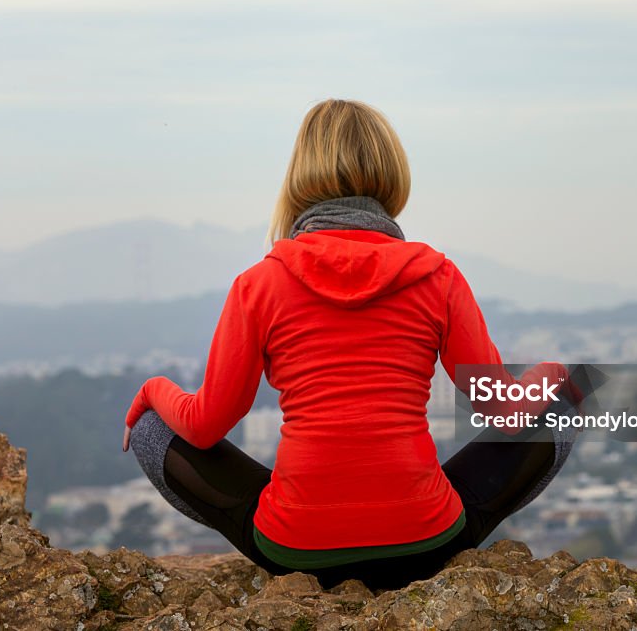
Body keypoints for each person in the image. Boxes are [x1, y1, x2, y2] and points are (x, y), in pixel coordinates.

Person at [121, 98, 586, 590]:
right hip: (425, 545)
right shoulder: (438, 276)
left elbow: (205, 423)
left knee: (152, 428)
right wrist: (553, 375)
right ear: (392, 173)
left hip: (295, 550)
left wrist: (153, 390)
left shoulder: (258, 284)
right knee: (560, 409)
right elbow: (508, 413)